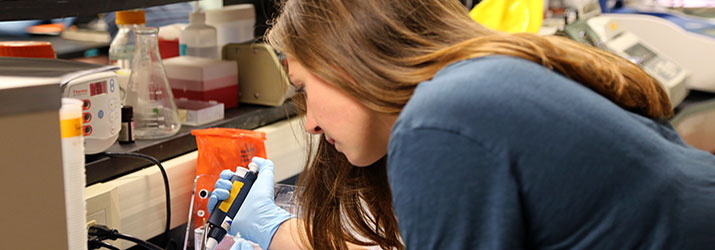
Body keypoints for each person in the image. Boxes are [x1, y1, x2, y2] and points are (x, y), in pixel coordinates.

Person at [207, 0, 715, 249]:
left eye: (302, 89)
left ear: (345, 62)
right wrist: (282, 234)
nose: (311, 124)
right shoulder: (481, 85)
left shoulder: (441, 122)